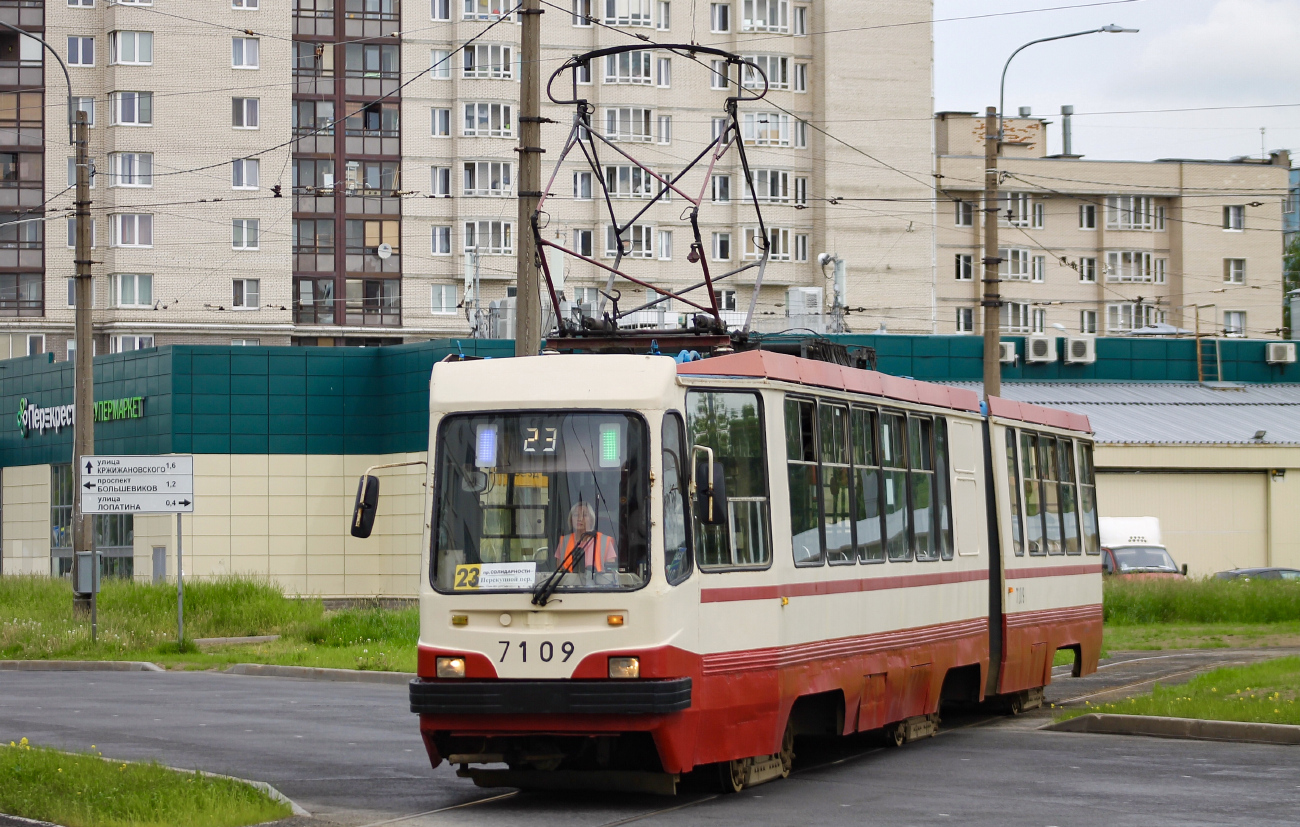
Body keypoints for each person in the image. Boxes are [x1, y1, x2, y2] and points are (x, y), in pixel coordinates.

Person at [553, 502, 617, 574]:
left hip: (598, 584)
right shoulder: (564, 541)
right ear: (571, 519)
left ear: (591, 519)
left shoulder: (604, 541)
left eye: (584, 515)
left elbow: (611, 573)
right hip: (568, 583)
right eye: (576, 515)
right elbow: (558, 572)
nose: (579, 519)